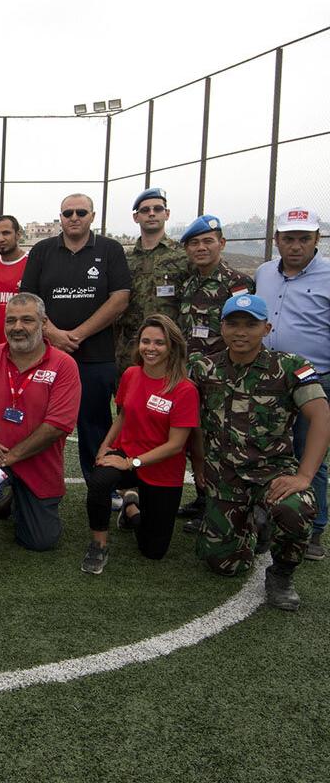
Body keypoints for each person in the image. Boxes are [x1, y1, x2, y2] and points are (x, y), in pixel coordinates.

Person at [191, 294, 329, 610]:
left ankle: (281, 574)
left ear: (266, 328)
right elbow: (188, 421)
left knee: (296, 508)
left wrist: (304, 476)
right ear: (221, 327)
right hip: (225, 478)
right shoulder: (203, 369)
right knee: (222, 565)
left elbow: (321, 415)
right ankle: (255, 526)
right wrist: (199, 465)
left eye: (250, 324)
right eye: (233, 324)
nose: (241, 332)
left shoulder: (291, 367)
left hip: (273, 473)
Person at [0, 293, 82, 551]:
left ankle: (14, 499)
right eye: (11, 320)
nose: (17, 327)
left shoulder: (64, 365)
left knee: (40, 541)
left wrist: (10, 457)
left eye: (27, 320)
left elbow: (57, 425)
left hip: (37, 464)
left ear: (44, 323)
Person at [19, 193, 130, 481]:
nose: (74, 218)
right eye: (68, 213)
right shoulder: (42, 251)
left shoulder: (110, 249)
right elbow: (28, 299)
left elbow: (119, 299)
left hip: (96, 356)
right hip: (46, 355)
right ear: (60, 218)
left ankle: (100, 487)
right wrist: (53, 334)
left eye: (81, 212)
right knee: (36, 422)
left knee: (94, 424)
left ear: (93, 216)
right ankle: (27, 484)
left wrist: (76, 335)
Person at [82, 315, 198, 574]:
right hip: (127, 453)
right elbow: (122, 415)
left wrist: (131, 462)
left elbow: (175, 445)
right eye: (146, 341)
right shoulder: (132, 374)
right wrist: (105, 447)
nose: (151, 348)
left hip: (161, 467)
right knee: (99, 481)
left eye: (159, 342)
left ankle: (131, 507)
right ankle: (98, 544)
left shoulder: (184, 389)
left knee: (153, 551)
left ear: (172, 347)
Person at [254, 207, 330, 561]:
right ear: (277, 240)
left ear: (317, 240)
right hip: (269, 377)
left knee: (309, 454)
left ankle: (312, 529)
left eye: (304, 238)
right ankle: (264, 514)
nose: (296, 246)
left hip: (315, 379)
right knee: (264, 448)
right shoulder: (264, 272)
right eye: (289, 238)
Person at [174, 214, 253, 528]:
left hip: (222, 378)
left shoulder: (237, 284)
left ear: (222, 243)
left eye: (208, 241)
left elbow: (244, 333)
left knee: (220, 443)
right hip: (189, 376)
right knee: (195, 439)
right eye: (194, 243)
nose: (201, 248)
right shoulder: (190, 282)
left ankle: (221, 510)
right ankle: (203, 498)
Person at [115, 188, 188, 372]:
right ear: (136, 217)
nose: (152, 213)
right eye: (145, 210)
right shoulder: (125, 259)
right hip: (130, 348)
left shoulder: (183, 256)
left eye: (158, 208)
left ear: (167, 214)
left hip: (168, 348)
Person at [0, 215, 28, 348]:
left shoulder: (31, 263)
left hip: (23, 343)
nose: (1, 239)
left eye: (6, 233)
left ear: (18, 234)